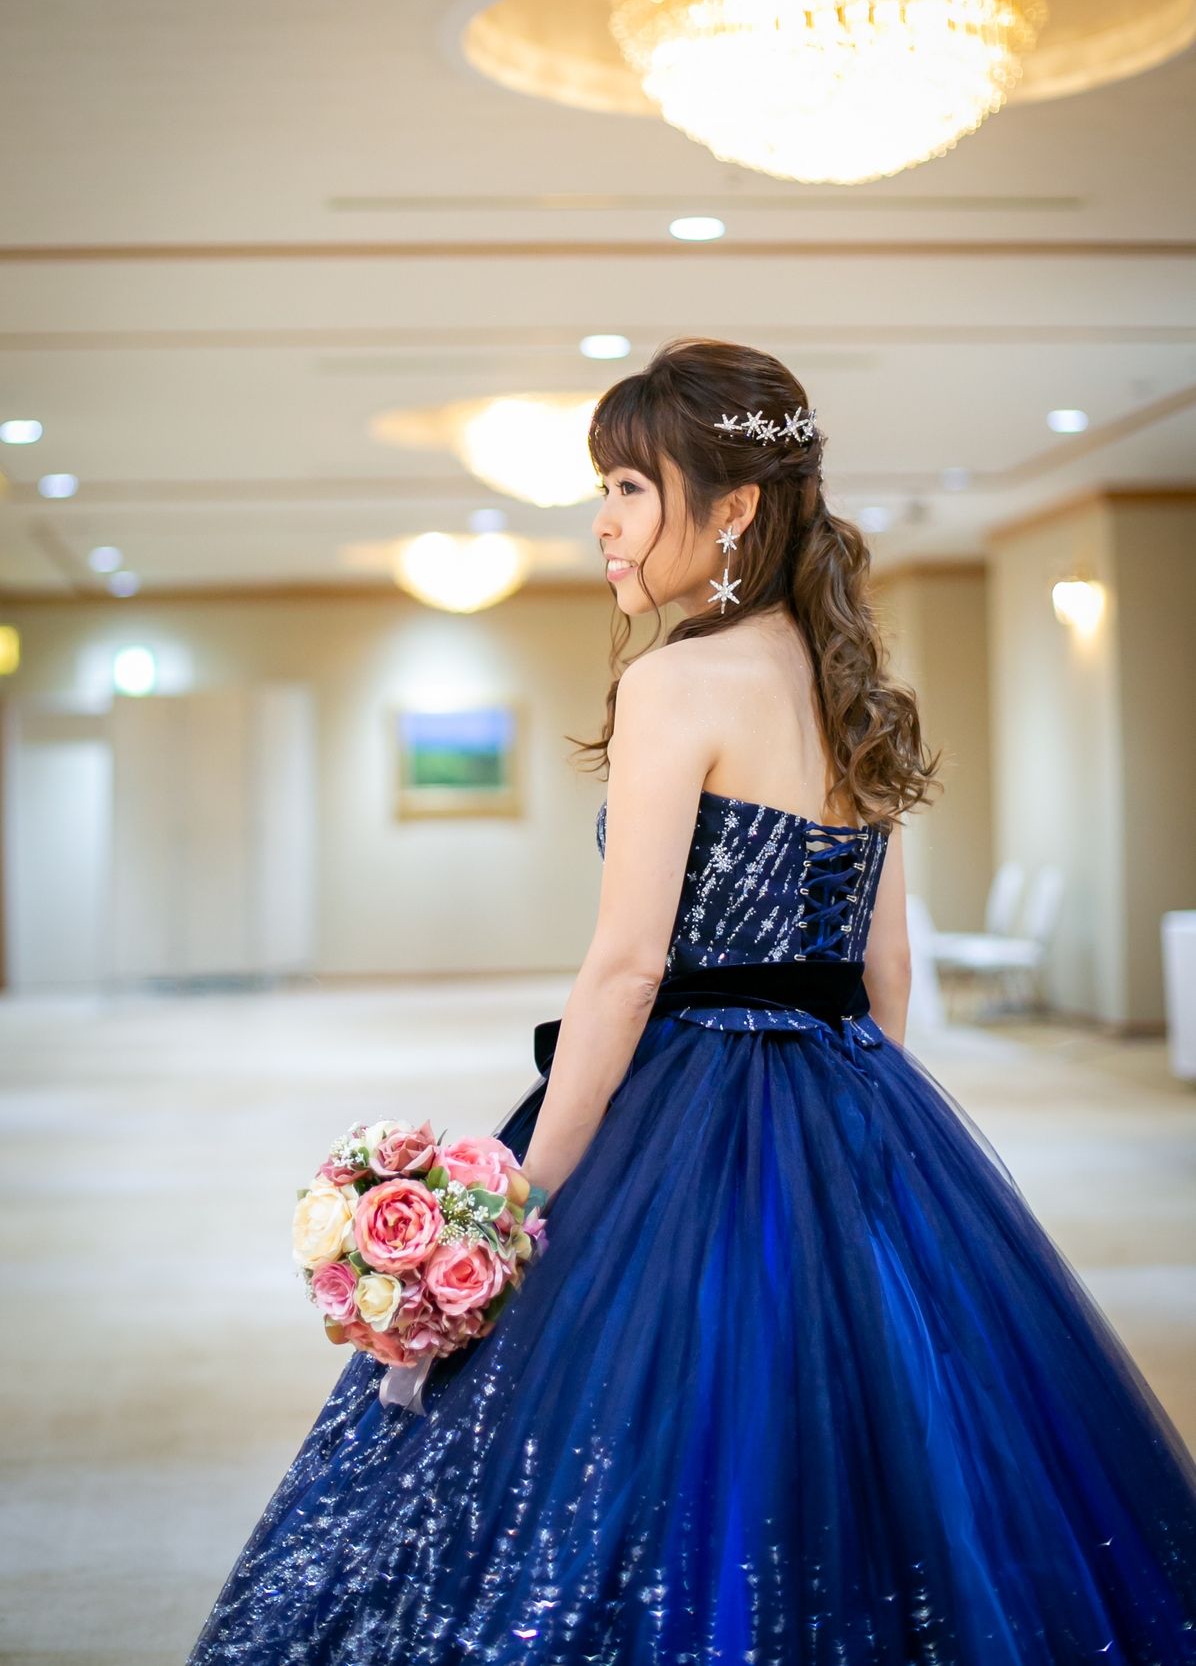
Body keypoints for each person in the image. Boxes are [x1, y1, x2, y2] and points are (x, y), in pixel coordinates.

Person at [186, 337, 1196, 1664]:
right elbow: (887, 968)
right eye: (599, 490)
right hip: (857, 1091)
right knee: (887, 1441)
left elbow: (625, 971)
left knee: (615, 1439)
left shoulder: (673, 681)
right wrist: (863, 1133)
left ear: (732, 510)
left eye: (627, 488)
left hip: (692, 1101)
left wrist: (515, 1203)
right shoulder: (853, 688)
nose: (602, 524)